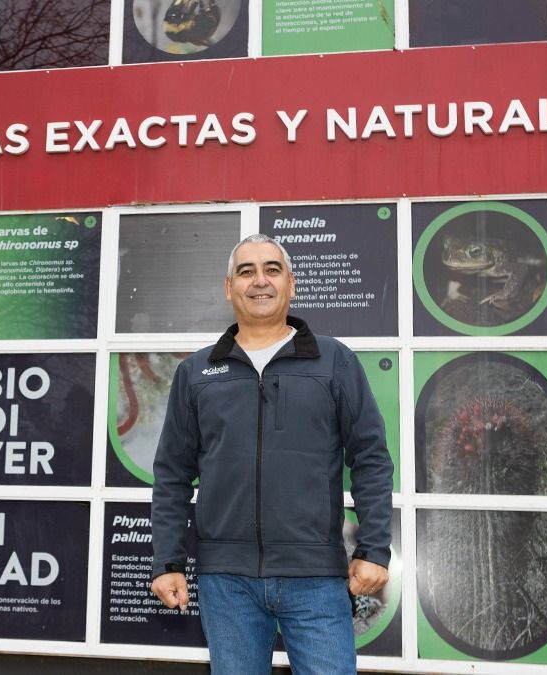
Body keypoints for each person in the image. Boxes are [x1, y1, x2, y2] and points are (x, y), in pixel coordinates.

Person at [150, 233, 393, 674]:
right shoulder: (196, 372)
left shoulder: (334, 361)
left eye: (272, 270)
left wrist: (374, 549)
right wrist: (167, 562)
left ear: (291, 284)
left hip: (315, 577)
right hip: (226, 582)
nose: (259, 281)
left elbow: (371, 457)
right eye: (246, 272)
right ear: (229, 288)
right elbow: (171, 474)